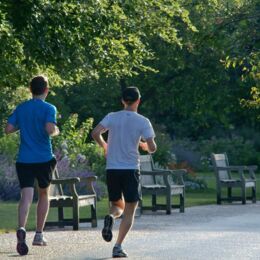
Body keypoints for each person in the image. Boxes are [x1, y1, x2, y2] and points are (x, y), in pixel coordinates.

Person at [92, 86, 157, 258]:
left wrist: (104, 145)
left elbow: (95, 132)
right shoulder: (143, 121)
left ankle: (111, 218)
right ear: (138, 101)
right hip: (130, 170)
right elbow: (153, 148)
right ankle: (118, 246)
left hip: (112, 169)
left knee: (116, 206)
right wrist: (145, 146)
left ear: (122, 101)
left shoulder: (112, 117)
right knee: (129, 210)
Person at [5, 75, 59, 256]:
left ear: (30, 90)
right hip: (44, 158)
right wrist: (56, 130)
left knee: (25, 197)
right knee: (43, 194)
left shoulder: (22, 108)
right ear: (46, 90)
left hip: (24, 160)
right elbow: (50, 129)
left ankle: (21, 228)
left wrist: (25, 124)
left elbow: (8, 129)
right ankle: (38, 234)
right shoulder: (49, 108)